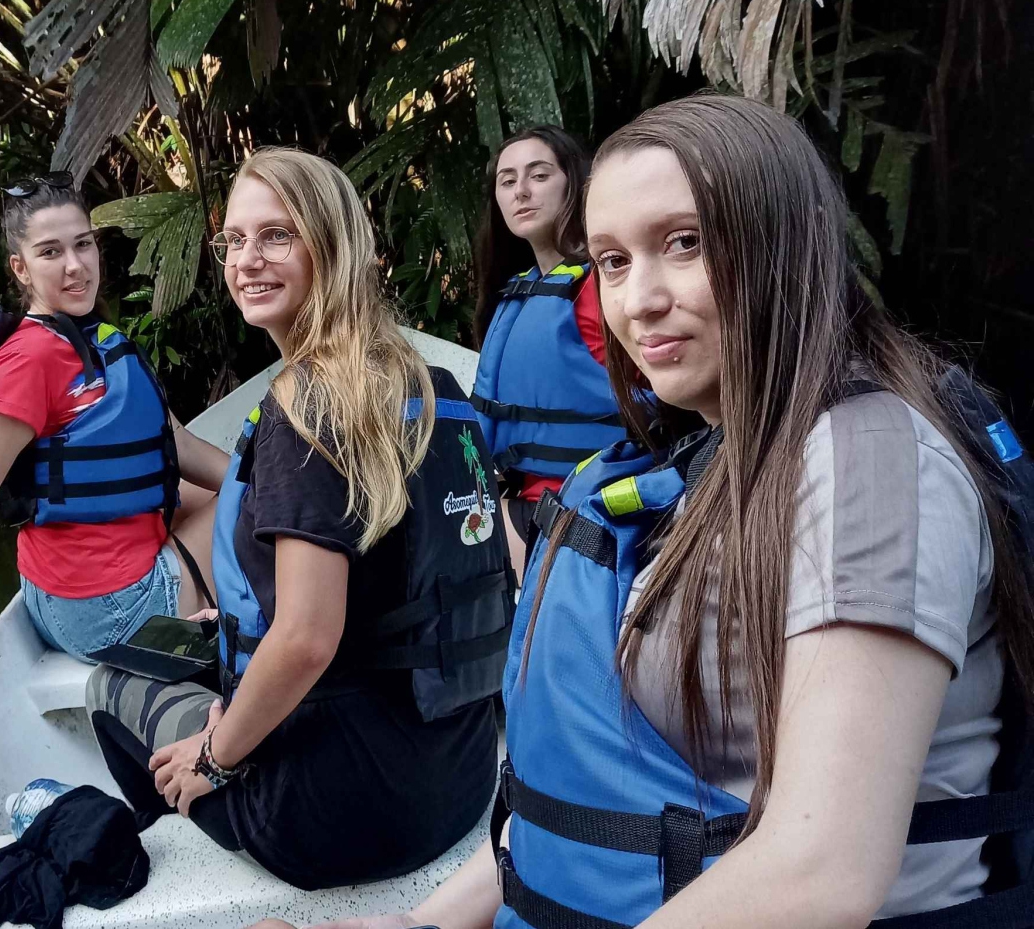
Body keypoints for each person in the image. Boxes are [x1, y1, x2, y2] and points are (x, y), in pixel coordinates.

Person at [307, 94, 1034, 929]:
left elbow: (821, 869)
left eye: (684, 243)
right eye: (612, 261)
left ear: (782, 241)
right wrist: (417, 922)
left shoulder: (868, 461)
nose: (638, 299)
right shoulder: (694, 460)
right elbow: (587, 797)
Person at [85, 149, 514, 890]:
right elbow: (449, 568)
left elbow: (309, 637)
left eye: (276, 236)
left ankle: (183, 852)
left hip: (340, 814)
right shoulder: (437, 389)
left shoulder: (305, 407)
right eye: (236, 241)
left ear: (332, 245)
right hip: (460, 783)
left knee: (111, 686)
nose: (247, 260)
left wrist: (215, 757)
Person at [0, 173, 229, 716]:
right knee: (244, 510)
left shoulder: (97, 340)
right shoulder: (28, 361)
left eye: (83, 244)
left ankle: (211, 594)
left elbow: (175, 445)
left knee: (233, 490)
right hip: (107, 611)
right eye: (50, 252)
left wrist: (261, 475)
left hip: (64, 593)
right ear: (21, 268)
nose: (74, 266)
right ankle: (215, 621)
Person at [469, 126, 625, 577]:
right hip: (523, 519)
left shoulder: (603, 285)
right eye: (507, 180)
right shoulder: (515, 295)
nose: (521, 191)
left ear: (573, 184)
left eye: (538, 176)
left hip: (594, 521)